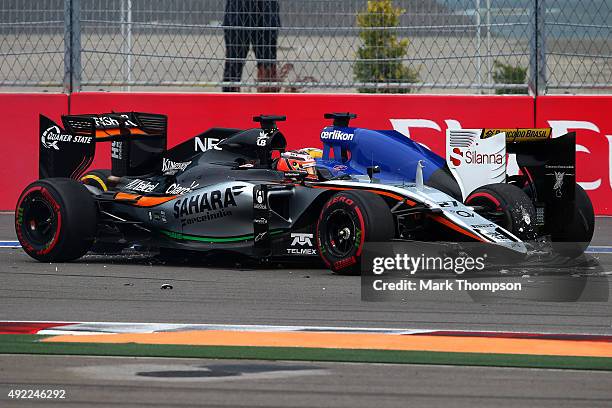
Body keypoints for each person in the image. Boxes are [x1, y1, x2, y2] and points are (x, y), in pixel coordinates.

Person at [222, 0, 280, 92]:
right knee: (233, 63)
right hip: (238, 7)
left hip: (265, 7)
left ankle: (268, 102)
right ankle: (229, 101)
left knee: (267, 66)